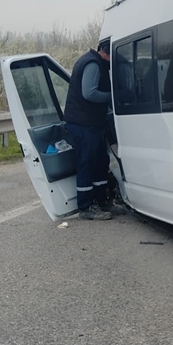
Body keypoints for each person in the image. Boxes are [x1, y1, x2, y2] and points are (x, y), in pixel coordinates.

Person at [64, 37, 122, 221]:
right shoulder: (93, 65)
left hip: (91, 123)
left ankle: (102, 202)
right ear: (108, 54)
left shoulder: (93, 62)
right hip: (83, 124)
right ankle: (86, 208)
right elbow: (89, 93)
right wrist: (114, 97)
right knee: (87, 163)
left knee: (100, 161)